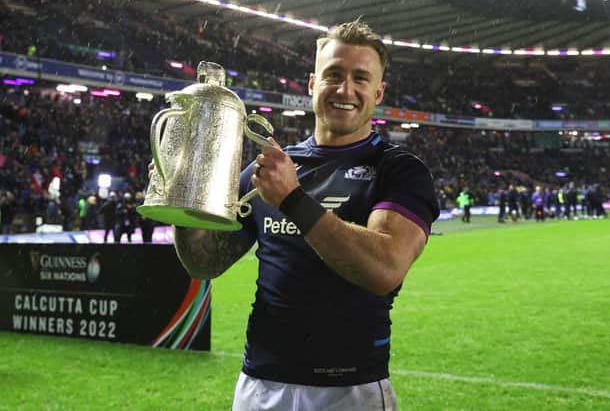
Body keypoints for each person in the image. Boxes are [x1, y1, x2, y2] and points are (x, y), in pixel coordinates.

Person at [161, 20, 439, 411]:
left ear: (378, 93)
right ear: (312, 84)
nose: (346, 89)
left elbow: (385, 268)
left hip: (349, 389)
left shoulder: (399, 171)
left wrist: (293, 200)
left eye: (361, 78)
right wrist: (186, 193)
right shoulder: (272, 168)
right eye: (333, 75)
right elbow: (204, 262)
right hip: (260, 386)